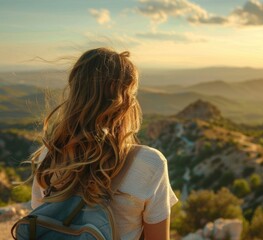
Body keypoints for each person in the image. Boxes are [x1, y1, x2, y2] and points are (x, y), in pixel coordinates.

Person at [30, 48, 178, 240]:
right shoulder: (149, 163)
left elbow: (44, 221)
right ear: (125, 102)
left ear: (75, 93)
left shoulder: (49, 156)